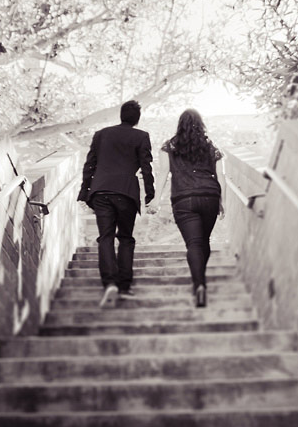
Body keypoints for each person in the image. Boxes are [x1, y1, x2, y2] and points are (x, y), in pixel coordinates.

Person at [77, 99, 156, 308]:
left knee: (105, 237)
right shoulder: (141, 136)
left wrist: (84, 192)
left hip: (101, 191)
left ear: (121, 115)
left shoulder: (101, 134)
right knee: (126, 238)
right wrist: (150, 194)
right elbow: (146, 168)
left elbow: (89, 165)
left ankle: (109, 282)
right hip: (127, 193)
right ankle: (124, 286)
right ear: (137, 119)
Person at [160, 108, 226, 308]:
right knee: (203, 241)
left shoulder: (168, 146)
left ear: (180, 125)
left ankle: (199, 284)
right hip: (209, 196)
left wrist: (155, 199)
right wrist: (222, 201)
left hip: (183, 199)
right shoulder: (211, 146)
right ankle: (200, 282)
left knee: (194, 243)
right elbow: (221, 176)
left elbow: (163, 173)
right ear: (201, 124)